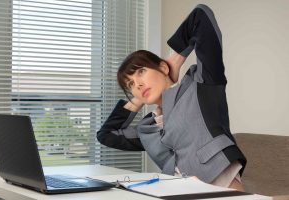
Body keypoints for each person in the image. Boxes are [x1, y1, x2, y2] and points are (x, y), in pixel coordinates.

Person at [96, 4, 246, 191]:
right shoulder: (147, 129)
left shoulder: (200, 86)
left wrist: (174, 61)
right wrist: (137, 98)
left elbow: (201, 16)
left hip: (221, 186)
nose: (138, 84)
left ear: (162, 68)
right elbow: (106, 136)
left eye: (141, 72)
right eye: (130, 84)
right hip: (175, 192)